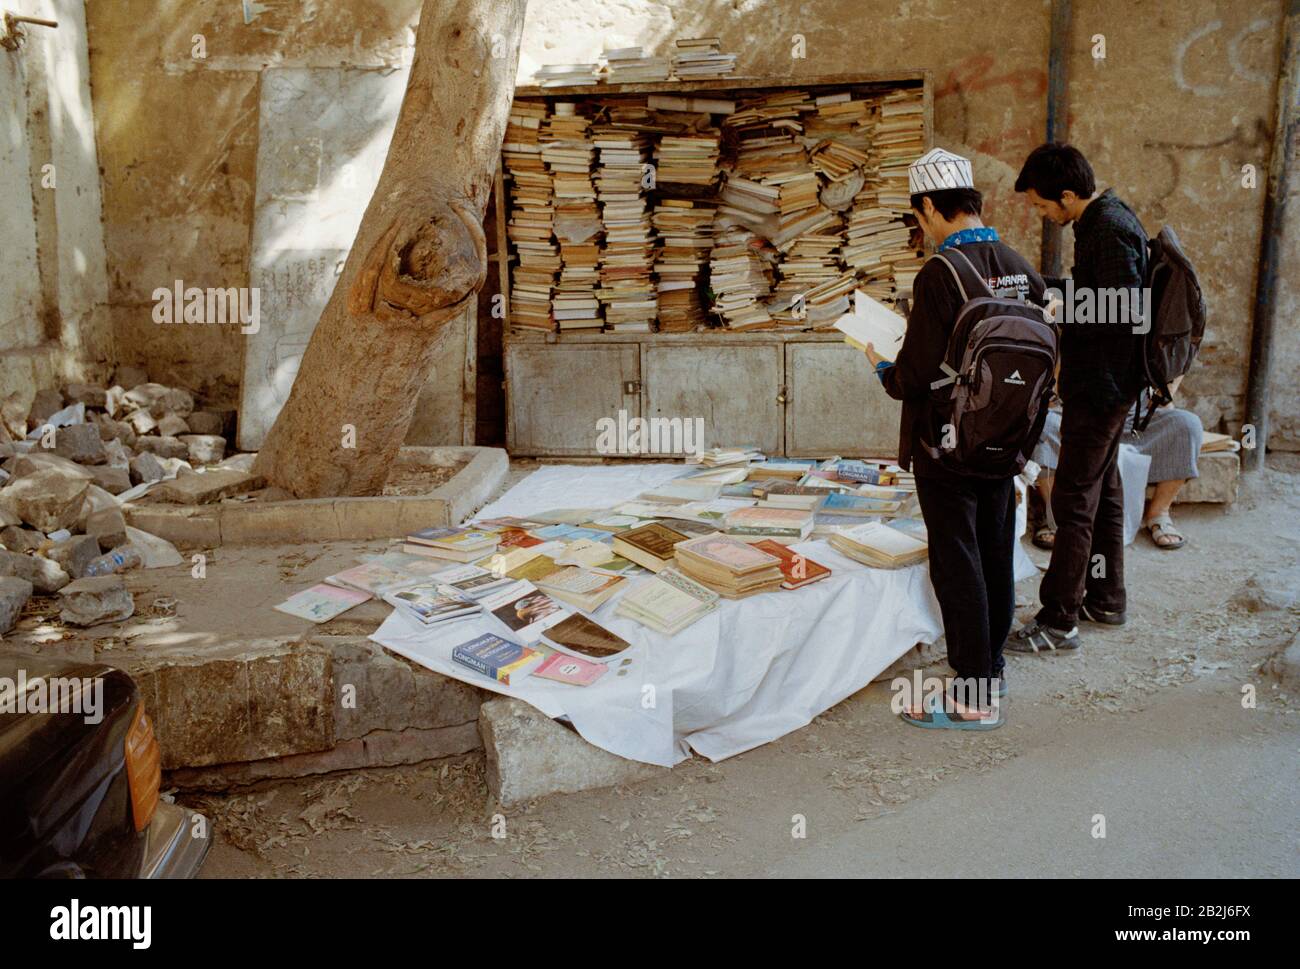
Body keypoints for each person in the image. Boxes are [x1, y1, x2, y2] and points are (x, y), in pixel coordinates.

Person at [865, 148, 1046, 728]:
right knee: (995, 550)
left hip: (945, 444)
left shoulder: (940, 273)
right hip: (1007, 440)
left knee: (956, 559)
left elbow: (914, 376)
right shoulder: (1023, 266)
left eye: (918, 216)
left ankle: (972, 696)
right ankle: (989, 669)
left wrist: (881, 367)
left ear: (927, 206)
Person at [1007, 144, 1146, 654]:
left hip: (1101, 388)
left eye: (1043, 206)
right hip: (1106, 386)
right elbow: (1105, 294)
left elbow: (1129, 308)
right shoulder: (1104, 221)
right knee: (1104, 492)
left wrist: (1060, 308)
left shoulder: (1107, 227)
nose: (1042, 214)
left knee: (1072, 500)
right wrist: (1049, 290)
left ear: (1067, 195)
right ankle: (1107, 597)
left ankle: (1058, 619)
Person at [1030, 383, 1202, 551]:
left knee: (1187, 424)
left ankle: (1158, 514)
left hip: (1135, 421)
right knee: (1043, 423)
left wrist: (1164, 392)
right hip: (1078, 419)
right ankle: (1056, 518)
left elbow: (1172, 374)